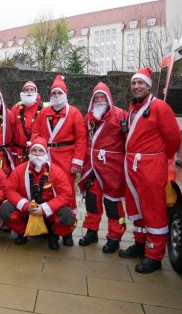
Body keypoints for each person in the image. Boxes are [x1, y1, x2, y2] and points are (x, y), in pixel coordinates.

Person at [119, 68, 181, 273]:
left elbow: (173, 139)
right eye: (134, 83)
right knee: (136, 208)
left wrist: (159, 158)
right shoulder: (134, 108)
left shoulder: (160, 107)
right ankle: (140, 244)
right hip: (133, 166)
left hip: (150, 166)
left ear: (149, 85)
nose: (136, 87)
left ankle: (154, 256)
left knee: (153, 211)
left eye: (140, 83)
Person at [32, 74, 87, 246]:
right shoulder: (44, 113)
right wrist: (37, 153)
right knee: (47, 192)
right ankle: (52, 230)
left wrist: (77, 161)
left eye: (59, 93)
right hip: (46, 157)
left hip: (66, 157)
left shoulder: (75, 113)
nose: (56, 96)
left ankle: (67, 230)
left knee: (67, 194)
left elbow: (81, 138)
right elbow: (35, 133)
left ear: (65, 94)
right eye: (54, 93)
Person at [77, 82, 128, 253]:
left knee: (112, 203)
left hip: (112, 168)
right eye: (96, 97)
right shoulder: (89, 117)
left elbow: (129, 140)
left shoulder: (121, 115)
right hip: (92, 167)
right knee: (92, 200)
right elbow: (83, 139)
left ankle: (114, 237)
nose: (99, 99)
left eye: (102, 96)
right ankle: (92, 232)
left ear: (108, 98)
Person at [0, 138, 76, 249]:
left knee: (67, 216)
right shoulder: (20, 170)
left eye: (40, 151)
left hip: (49, 213)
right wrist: (25, 206)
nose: (37, 154)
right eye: (34, 151)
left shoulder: (56, 171)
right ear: (29, 153)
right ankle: (23, 232)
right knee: (5, 209)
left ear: (46, 153)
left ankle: (54, 234)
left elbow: (66, 194)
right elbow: (9, 190)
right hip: (27, 210)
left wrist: (45, 208)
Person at [11, 81, 45, 166]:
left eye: (31, 89)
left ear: (36, 92)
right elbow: (11, 129)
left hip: (37, 153)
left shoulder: (44, 109)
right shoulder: (15, 108)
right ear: (22, 92)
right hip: (18, 153)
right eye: (26, 90)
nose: (29, 91)